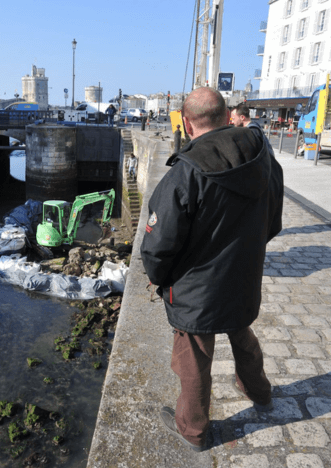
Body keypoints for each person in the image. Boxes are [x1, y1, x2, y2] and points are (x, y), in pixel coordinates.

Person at [140, 87, 284, 452]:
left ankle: (193, 431)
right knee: (242, 334)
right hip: (242, 277)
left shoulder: (186, 172)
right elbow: (274, 216)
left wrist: (160, 279)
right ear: (225, 116)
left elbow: (158, 247)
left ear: (187, 124)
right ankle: (260, 392)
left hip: (197, 290)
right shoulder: (262, 153)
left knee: (194, 359)